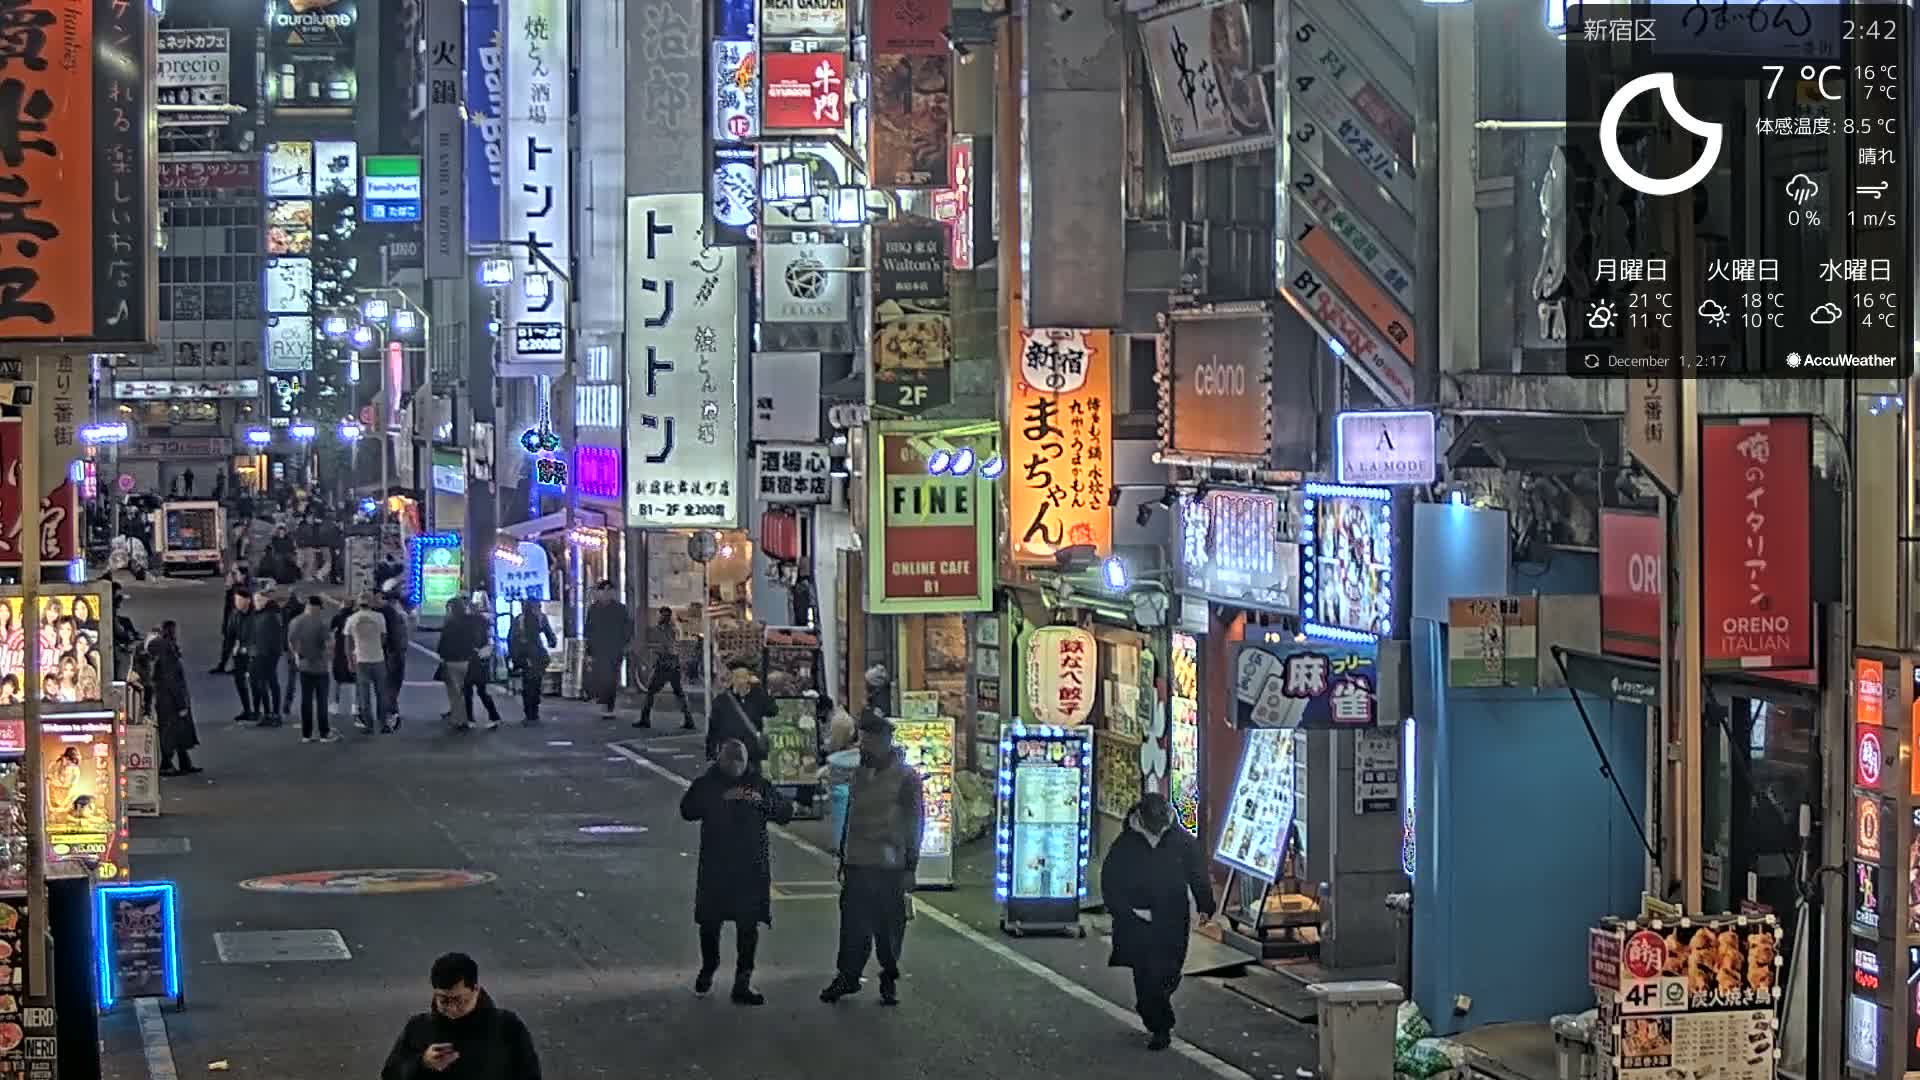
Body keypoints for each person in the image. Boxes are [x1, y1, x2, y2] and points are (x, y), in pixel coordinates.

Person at [1100, 792, 1218, 1051]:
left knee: (1169, 971)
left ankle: (1156, 1003)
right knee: (1145, 974)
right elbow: (1110, 880)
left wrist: (1206, 905)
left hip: (1172, 915)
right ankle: (1159, 1025)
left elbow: (1197, 873)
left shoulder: (1181, 841)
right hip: (1137, 918)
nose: (1157, 827)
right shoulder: (1126, 843)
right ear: (1142, 818)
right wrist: (1120, 910)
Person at [680, 738, 792, 1006]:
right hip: (717, 865)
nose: (735, 768)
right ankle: (709, 966)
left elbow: (784, 812)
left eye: (739, 763)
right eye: (730, 763)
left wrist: (761, 802)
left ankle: (742, 980)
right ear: (721, 761)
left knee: (748, 925)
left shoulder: (758, 784)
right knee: (710, 922)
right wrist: (717, 800)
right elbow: (688, 810)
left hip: (750, 866)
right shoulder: (708, 783)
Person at [821, 714, 924, 1007]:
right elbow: (850, 816)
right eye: (862, 739)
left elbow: (915, 823)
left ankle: (889, 976)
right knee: (852, 925)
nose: (863, 746)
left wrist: (911, 866)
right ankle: (848, 976)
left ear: (884, 742)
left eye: (869, 741)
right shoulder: (859, 773)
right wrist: (844, 856)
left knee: (889, 928)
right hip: (857, 862)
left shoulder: (906, 778)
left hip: (889, 865)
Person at [381, 952, 541, 1080]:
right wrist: (422, 1063)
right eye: (443, 1000)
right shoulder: (419, 1028)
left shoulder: (507, 1027)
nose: (452, 1008)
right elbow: (390, 1075)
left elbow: (530, 1075)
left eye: (459, 1000)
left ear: (475, 990)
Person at [149, 622, 201, 775]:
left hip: (165, 700)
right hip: (171, 702)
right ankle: (168, 764)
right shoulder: (168, 653)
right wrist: (181, 704)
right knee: (173, 732)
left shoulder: (161, 653)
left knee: (174, 732)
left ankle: (183, 762)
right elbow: (173, 680)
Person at [287, 596, 336, 743]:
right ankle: (324, 733)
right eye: (320, 608)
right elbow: (328, 645)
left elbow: (291, 642)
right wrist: (329, 657)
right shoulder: (320, 623)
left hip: (303, 666)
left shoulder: (294, 622)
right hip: (320, 667)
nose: (320, 611)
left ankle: (306, 735)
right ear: (315, 607)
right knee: (322, 701)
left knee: (306, 701)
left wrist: (298, 656)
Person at [636, 607, 694, 730]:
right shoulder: (672, 629)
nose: (661, 617)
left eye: (662, 615)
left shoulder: (667, 630)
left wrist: (656, 650)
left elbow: (666, 647)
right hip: (672, 663)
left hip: (665, 663)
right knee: (678, 693)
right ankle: (689, 719)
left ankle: (645, 719)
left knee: (651, 691)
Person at [345, 593, 394, 733]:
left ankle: (369, 726)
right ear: (371, 603)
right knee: (381, 694)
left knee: (364, 695)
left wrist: (350, 660)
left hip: (361, 660)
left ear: (358, 604)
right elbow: (384, 637)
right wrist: (375, 645)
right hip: (378, 659)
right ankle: (383, 724)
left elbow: (347, 643)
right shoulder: (379, 617)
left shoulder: (352, 619)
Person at [583, 582, 631, 719]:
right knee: (601, 677)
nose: (606, 594)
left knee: (612, 678)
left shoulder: (620, 609)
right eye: (603, 591)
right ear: (598, 593)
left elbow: (627, 628)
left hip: (615, 649)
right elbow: (588, 630)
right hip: (598, 649)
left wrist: (625, 644)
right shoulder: (593, 609)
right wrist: (589, 650)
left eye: (609, 591)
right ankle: (603, 701)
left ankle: (609, 705)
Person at [508, 602, 557, 725]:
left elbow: (511, 638)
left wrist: (514, 657)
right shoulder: (541, 618)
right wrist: (552, 642)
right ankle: (534, 712)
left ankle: (529, 713)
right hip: (537, 656)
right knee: (535, 684)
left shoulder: (519, 620)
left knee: (527, 684)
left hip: (525, 656)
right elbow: (550, 636)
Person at [436, 598, 481, 733]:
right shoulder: (470, 622)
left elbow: (443, 643)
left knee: (455, 693)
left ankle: (459, 720)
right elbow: (476, 639)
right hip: (467, 660)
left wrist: (442, 654)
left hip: (452, 661)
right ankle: (467, 718)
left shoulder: (450, 623)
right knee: (465, 691)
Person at [706, 668, 769, 763]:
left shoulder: (720, 701)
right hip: (739, 752)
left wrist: (711, 754)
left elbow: (713, 730)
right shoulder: (756, 699)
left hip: (734, 752)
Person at [460, 602, 504, 731]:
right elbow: (487, 640)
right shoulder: (484, 622)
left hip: (471, 660)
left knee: (468, 691)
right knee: (482, 691)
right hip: (481, 661)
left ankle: (470, 719)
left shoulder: (468, 623)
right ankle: (494, 716)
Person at [247, 589, 286, 727]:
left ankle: (273, 714)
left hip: (267, 655)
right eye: (254, 600)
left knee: (268, 683)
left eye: (258, 600)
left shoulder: (271, 616)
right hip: (260, 654)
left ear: (266, 600)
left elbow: (273, 637)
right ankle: (270, 713)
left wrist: (264, 654)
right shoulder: (260, 614)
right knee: (265, 683)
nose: (256, 603)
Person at [377, 592, 409, 727]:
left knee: (388, 685)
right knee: (393, 684)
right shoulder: (400, 615)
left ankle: (390, 713)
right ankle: (391, 712)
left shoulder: (389, 614)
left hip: (390, 653)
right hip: (398, 653)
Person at [226, 590, 257, 724]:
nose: (237, 603)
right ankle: (247, 709)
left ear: (248, 600)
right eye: (236, 600)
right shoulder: (235, 614)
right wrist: (229, 653)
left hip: (254, 654)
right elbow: (230, 634)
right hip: (239, 653)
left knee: (255, 683)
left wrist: (247, 648)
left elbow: (257, 635)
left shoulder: (255, 616)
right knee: (239, 681)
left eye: (239, 600)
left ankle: (258, 710)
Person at [212, 565, 249, 673]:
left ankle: (237, 667)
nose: (232, 576)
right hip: (232, 620)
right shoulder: (233, 589)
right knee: (228, 645)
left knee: (238, 645)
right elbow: (227, 608)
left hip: (240, 622)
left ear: (243, 575)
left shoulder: (244, 589)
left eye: (235, 574)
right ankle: (224, 665)